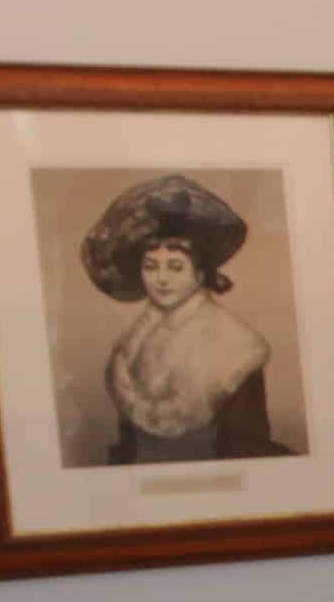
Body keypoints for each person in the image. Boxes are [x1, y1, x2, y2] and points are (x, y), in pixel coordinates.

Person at [76, 175, 287, 461]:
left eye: (175, 267)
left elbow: (246, 446)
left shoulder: (238, 347)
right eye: (151, 266)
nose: (161, 279)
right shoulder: (131, 346)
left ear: (200, 273)